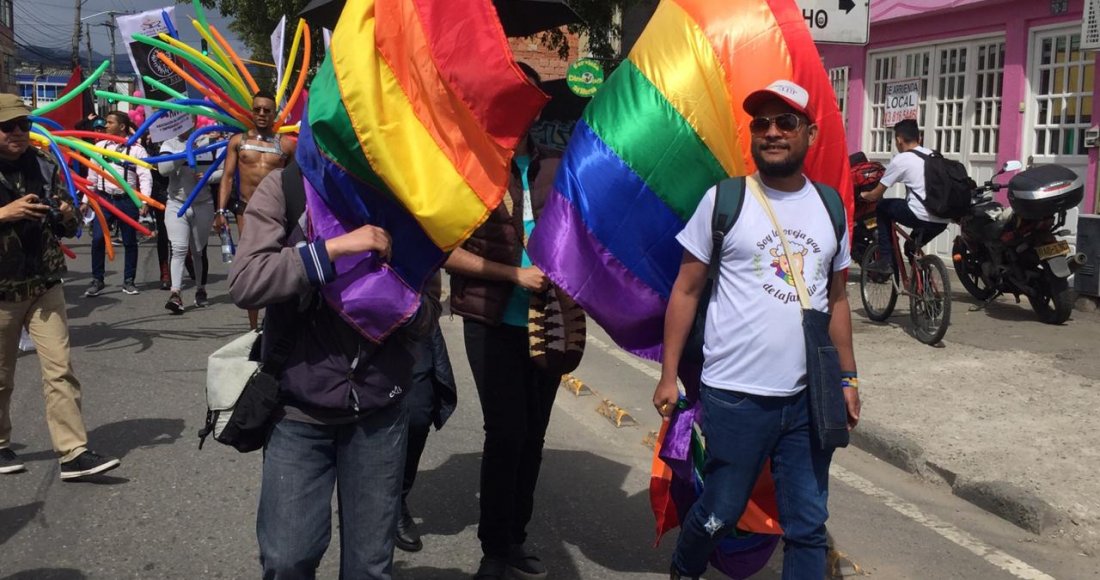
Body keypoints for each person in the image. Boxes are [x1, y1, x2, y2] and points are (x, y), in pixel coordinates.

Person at [652, 80, 861, 579]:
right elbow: (685, 291)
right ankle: (686, 566)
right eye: (761, 123)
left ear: (809, 133)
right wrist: (668, 374)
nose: (771, 132)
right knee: (722, 512)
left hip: (809, 396)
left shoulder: (831, 207)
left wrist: (848, 380)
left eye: (785, 122)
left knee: (808, 525)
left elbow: (836, 300)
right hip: (735, 396)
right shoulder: (725, 200)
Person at [230, 163, 433, 579]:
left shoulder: (408, 195)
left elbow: (429, 311)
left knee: (369, 567)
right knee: (288, 559)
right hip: (298, 411)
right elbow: (246, 282)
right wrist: (332, 251)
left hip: (380, 410)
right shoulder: (287, 188)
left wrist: (395, 299)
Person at [444, 62, 561, 580]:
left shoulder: (554, 168)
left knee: (534, 434)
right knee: (507, 431)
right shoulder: (469, 169)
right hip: (491, 320)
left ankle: (516, 537)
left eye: (529, 100)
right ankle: (494, 546)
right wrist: (513, 274)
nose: (522, 108)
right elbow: (445, 251)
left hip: (550, 320)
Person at [0, 93, 120, 479]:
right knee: (1, 375)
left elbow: (68, 222)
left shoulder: (45, 163)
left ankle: (72, 452)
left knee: (60, 369)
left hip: (44, 283)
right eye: (8, 127)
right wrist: (5, 213)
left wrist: (67, 214)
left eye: (25, 125)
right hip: (2, 289)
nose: (18, 132)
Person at [215, 89, 296, 330]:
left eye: (266, 110)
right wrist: (220, 212)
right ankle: (253, 328)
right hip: (246, 211)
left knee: (277, 264)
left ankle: (275, 323)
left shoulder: (286, 145)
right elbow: (227, 178)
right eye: (257, 109)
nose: (261, 114)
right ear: (252, 111)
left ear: (274, 114)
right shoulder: (238, 142)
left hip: (277, 213)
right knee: (253, 265)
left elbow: (295, 182)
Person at [395, 272, 457, 553]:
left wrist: (429, 298)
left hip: (409, 311)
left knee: (419, 415)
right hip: (346, 308)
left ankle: (396, 500)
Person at [861, 119, 949, 272]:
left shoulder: (901, 160)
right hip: (942, 219)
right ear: (919, 138)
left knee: (882, 207)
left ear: (898, 140)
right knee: (911, 247)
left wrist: (864, 195)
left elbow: (876, 194)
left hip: (919, 216)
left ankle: (886, 260)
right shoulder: (934, 155)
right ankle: (924, 288)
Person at [81, 110, 152, 297]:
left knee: (129, 241)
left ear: (121, 126)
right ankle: (98, 279)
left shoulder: (136, 149)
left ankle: (129, 280)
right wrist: (86, 200)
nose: (106, 125)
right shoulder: (101, 146)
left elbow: (145, 176)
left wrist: (144, 200)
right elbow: (92, 175)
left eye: (110, 122)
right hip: (104, 199)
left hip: (126, 201)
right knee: (97, 239)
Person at [157, 124, 217, 313]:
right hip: (176, 204)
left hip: (203, 204)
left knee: (198, 251)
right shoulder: (169, 144)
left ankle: (200, 289)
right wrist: (187, 151)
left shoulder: (209, 141)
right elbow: (163, 169)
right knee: (179, 248)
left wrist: (209, 177)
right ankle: (176, 293)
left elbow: (226, 170)